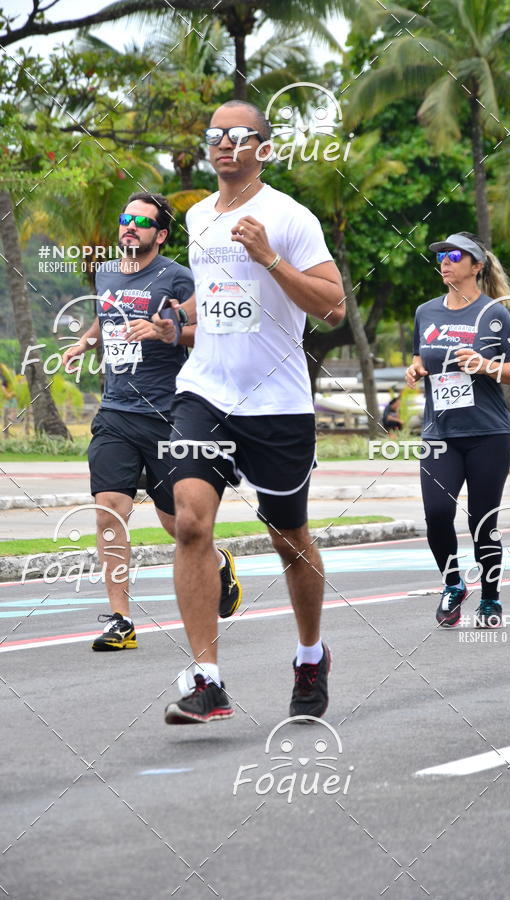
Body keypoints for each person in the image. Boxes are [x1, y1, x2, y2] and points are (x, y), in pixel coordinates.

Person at [163, 100, 345, 725]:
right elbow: (218, 311)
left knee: (288, 537)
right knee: (189, 523)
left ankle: (311, 655)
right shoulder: (195, 219)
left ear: (263, 149)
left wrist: (270, 257)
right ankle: (207, 679)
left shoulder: (289, 218)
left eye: (239, 136)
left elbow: (333, 308)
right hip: (204, 392)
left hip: (276, 403)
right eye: (214, 134)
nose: (224, 144)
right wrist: (176, 326)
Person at [61, 192, 242, 652]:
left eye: (141, 223)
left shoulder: (178, 277)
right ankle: (120, 619)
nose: (130, 227)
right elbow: (108, 317)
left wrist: (170, 330)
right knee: (109, 508)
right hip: (116, 413)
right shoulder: (105, 272)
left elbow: (209, 328)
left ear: (160, 235)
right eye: (125, 219)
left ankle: (218, 563)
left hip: (167, 415)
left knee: (180, 526)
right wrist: (85, 342)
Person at [406, 232, 510, 629]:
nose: (445, 261)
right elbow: (420, 356)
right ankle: (453, 584)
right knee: (437, 514)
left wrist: (485, 365)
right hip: (439, 432)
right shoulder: (426, 312)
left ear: (476, 266)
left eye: (455, 255)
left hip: (487, 434)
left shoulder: (494, 314)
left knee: (482, 520)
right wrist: (415, 368)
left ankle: (490, 598)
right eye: (441, 255)